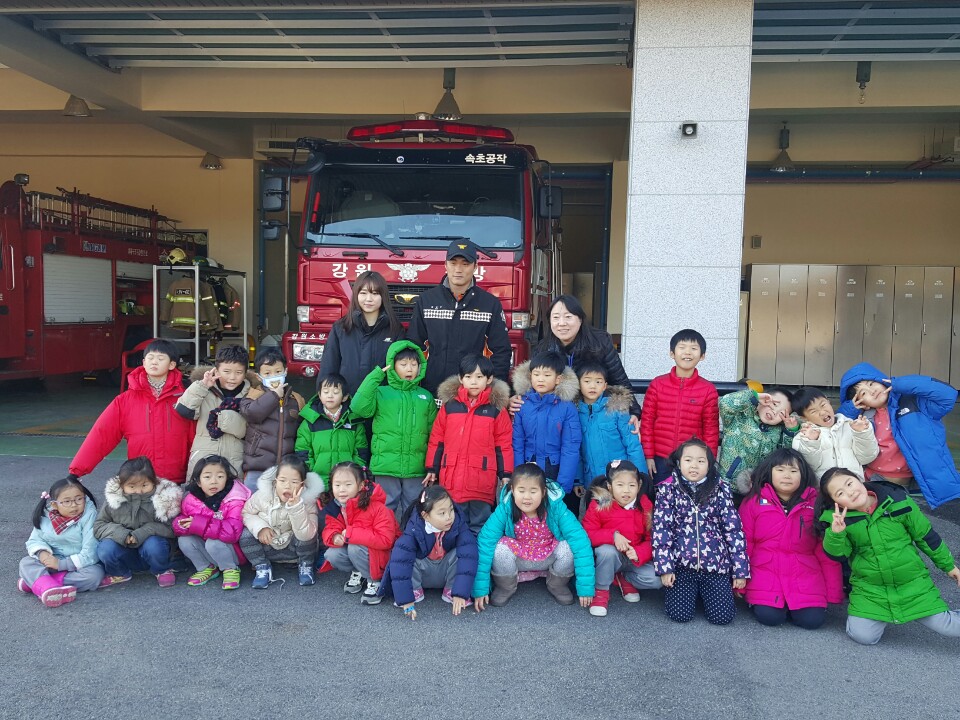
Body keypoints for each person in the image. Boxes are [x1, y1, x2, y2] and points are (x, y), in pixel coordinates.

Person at [816, 467, 960, 645]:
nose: (850, 492)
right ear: (835, 502)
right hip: (870, 590)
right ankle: (885, 614)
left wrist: (949, 566)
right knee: (863, 636)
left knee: (948, 626)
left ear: (859, 479)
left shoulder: (898, 500)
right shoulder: (836, 521)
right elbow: (838, 555)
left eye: (849, 483)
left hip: (912, 585)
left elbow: (926, 537)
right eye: (840, 493)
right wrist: (836, 534)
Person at [738, 449, 843, 629]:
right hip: (765, 573)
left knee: (812, 621)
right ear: (769, 472)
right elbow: (744, 544)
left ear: (803, 475)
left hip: (804, 575)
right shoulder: (753, 502)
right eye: (780, 470)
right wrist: (740, 583)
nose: (787, 476)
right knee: (770, 617)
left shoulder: (815, 504)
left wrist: (833, 592)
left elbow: (824, 551)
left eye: (794, 471)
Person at [69, 338, 195, 484]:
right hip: (139, 480)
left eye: (160, 358)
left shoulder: (186, 397)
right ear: (143, 362)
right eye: (150, 358)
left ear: (172, 364)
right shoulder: (125, 401)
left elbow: (199, 437)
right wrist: (76, 471)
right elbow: (101, 435)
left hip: (176, 479)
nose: (154, 362)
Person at [652, 438, 749, 625]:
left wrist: (739, 571)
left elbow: (733, 531)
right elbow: (662, 530)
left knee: (722, 618)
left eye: (700, 461)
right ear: (679, 463)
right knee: (680, 615)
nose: (694, 465)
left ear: (709, 465)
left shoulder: (721, 489)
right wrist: (665, 568)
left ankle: (705, 594)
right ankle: (692, 594)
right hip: (682, 566)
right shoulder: (667, 490)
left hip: (715, 566)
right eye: (688, 460)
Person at [473, 463, 594, 610]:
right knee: (499, 549)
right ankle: (505, 587)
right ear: (513, 490)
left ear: (543, 492)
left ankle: (557, 584)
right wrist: (480, 588)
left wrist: (585, 588)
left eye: (533, 491)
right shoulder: (505, 508)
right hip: (518, 557)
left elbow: (580, 540)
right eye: (521, 490)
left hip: (548, 555)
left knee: (568, 547)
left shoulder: (556, 507)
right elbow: (486, 541)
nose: (527, 497)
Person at [838, 362, 960, 508]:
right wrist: (850, 409)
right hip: (875, 481)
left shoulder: (916, 403)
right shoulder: (862, 418)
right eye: (863, 393)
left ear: (883, 381)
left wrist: (902, 384)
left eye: (872, 383)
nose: (872, 391)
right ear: (861, 402)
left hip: (921, 481)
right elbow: (837, 428)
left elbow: (948, 395)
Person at [406, 239, 511, 395]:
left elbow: (502, 351)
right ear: (445, 265)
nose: (458, 270)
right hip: (431, 390)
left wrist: (492, 390)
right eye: (453, 263)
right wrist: (413, 385)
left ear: (475, 267)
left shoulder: (490, 304)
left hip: (472, 394)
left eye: (465, 264)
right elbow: (412, 346)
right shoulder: (426, 301)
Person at [425, 354, 514, 535]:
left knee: (480, 525)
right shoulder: (449, 406)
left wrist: (505, 474)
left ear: (489, 379)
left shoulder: (496, 409)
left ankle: (478, 554)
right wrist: (432, 468)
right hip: (451, 478)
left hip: (481, 480)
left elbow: (503, 444)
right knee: (453, 524)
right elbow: (437, 439)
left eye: (479, 377)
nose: (473, 382)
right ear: (460, 379)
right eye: (468, 376)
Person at [351, 340, 437, 517]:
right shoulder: (381, 393)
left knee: (414, 509)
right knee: (384, 509)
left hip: (416, 468)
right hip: (385, 466)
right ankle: (385, 536)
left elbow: (433, 435)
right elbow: (358, 407)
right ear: (392, 366)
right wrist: (377, 375)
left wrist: (431, 467)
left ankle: (408, 536)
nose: (409, 369)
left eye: (414, 364)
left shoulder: (426, 397)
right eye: (403, 364)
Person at [523, 295, 640, 424]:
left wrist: (634, 412)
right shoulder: (543, 349)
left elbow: (620, 381)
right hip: (558, 417)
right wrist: (516, 398)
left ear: (580, 319)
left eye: (568, 317)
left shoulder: (600, 343)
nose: (561, 323)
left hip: (594, 413)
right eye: (555, 317)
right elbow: (531, 383)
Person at [379, 485, 479, 620]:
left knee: (462, 552)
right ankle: (414, 590)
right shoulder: (414, 527)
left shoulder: (458, 523)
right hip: (423, 573)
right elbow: (400, 561)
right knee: (406, 556)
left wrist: (461, 592)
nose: (449, 517)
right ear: (425, 515)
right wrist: (405, 600)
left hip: (445, 572)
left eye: (451, 510)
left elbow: (469, 555)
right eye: (442, 513)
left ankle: (451, 590)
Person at [582, 460, 661, 617]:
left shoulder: (645, 505)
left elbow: (653, 538)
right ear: (610, 486)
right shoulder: (599, 504)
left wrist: (640, 552)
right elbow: (587, 533)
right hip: (611, 558)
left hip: (633, 558)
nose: (626, 491)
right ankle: (601, 591)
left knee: (657, 580)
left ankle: (624, 578)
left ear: (639, 485)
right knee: (606, 551)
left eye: (631, 485)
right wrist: (613, 536)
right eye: (620, 485)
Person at [640, 329, 719, 482]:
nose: (687, 352)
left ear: (702, 356)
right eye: (682, 347)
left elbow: (711, 430)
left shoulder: (708, 389)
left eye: (694, 348)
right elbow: (647, 422)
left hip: (692, 460)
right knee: (659, 494)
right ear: (672, 353)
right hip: (660, 459)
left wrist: (708, 460)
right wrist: (648, 455)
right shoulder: (657, 384)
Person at [94, 456, 184, 588]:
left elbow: (173, 528)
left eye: (144, 485)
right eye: (131, 486)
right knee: (105, 548)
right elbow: (99, 526)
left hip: (154, 551)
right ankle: (120, 573)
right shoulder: (114, 500)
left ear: (154, 482)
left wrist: (144, 532)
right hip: (125, 550)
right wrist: (121, 534)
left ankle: (161, 570)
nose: (139, 491)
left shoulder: (163, 498)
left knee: (154, 545)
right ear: (122, 485)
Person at [320, 462, 399, 605]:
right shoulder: (337, 506)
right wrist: (334, 535)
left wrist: (351, 534)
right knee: (332, 554)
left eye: (348, 484)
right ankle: (359, 572)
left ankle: (376, 580)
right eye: (337, 485)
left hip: (382, 555)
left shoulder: (378, 507)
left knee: (354, 547)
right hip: (363, 553)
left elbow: (386, 540)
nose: (342, 490)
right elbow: (330, 527)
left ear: (361, 485)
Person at [511, 351, 582, 512]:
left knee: (554, 513)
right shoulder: (522, 404)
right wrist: (517, 475)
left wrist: (562, 486)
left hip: (555, 468)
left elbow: (570, 447)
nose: (541, 379)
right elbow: (517, 443)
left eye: (547, 375)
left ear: (558, 379)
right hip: (529, 464)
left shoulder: (567, 407)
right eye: (536, 374)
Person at [19, 477, 104, 607]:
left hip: (79, 564)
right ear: (54, 505)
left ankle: (40, 583)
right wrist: (42, 554)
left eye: (79, 499)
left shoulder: (89, 515)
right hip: (51, 561)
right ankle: (48, 588)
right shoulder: (45, 516)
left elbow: (91, 551)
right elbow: (34, 540)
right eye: (67, 501)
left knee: (95, 576)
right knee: (26, 562)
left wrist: (60, 564)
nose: (74, 505)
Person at [240, 455, 322, 589]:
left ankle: (306, 565)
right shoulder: (262, 495)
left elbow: (306, 535)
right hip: (268, 544)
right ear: (275, 481)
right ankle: (262, 566)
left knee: (309, 534)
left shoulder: (307, 501)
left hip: (294, 549)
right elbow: (246, 513)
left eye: (294, 482)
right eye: (282, 480)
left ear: (302, 484)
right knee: (245, 535)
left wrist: (296, 508)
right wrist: (261, 528)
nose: (287, 486)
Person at [319, 270, 404, 397]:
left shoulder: (395, 330)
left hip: (382, 402)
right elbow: (328, 367)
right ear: (356, 295)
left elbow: (399, 374)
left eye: (375, 293)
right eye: (363, 293)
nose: (369, 299)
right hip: (346, 400)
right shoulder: (341, 328)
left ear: (383, 296)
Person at [175, 344, 254, 480]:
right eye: (226, 371)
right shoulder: (204, 389)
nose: (232, 377)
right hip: (203, 459)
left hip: (235, 461)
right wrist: (202, 385)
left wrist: (225, 418)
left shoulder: (252, 394)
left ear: (245, 372)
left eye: (238, 372)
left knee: (233, 493)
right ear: (216, 371)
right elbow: (184, 410)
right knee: (198, 493)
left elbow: (252, 430)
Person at [172, 454, 251, 590]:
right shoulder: (191, 499)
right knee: (184, 540)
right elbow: (179, 522)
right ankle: (206, 568)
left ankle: (230, 569)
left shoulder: (234, 499)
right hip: (208, 550)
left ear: (227, 478)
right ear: (198, 482)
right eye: (207, 477)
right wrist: (183, 525)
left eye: (220, 476)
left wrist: (197, 524)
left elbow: (232, 532)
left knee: (213, 542)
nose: (214, 481)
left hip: (231, 552)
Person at [576, 362, 647, 498]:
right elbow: (576, 451)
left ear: (604, 386)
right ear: (579, 384)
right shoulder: (575, 413)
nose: (592, 386)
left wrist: (641, 477)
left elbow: (633, 445)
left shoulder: (617, 409)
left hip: (619, 478)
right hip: (592, 480)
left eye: (598, 382)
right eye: (587, 381)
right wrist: (577, 480)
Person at [240, 347, 306, 491]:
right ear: (259, 376)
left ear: (285, 371)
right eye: (267, 373)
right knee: (254, 503)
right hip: (258, 467)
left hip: (286, 470)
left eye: (278, 372)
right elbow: (252, 413)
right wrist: (274, 395)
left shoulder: (296, 399)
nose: (274, 376)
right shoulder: (253, 395)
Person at [717, 387, 799, 495]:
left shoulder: (778, 431)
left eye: (782, 414)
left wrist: (791, 431)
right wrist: (754, 396)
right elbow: (725, 403)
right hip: (726, 484)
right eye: (774, 404)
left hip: (758, 489)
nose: (774, 412)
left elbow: (784, 453)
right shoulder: (740, 415)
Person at [295, 372, 368, 491]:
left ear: (344, 397)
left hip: (346, 483)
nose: (330, 396)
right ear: (319, 395)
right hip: (318, 482)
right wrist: (311, 474)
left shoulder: (354, 421)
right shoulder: (310, 421)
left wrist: (354, 473)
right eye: (326, 392)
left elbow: (361, 451)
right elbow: (303, 451)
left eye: (335, 392)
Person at [791, 387, 878, 481]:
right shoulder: (802, 439)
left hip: (855, 484)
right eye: (813, 411)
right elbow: (809, 468)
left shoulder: (851, 426)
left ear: (828, 401)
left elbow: (867, 458)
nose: (822, 412)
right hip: (824, 488)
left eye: (823, 405)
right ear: (804, 417)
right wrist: (811, 443)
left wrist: (862, 433)